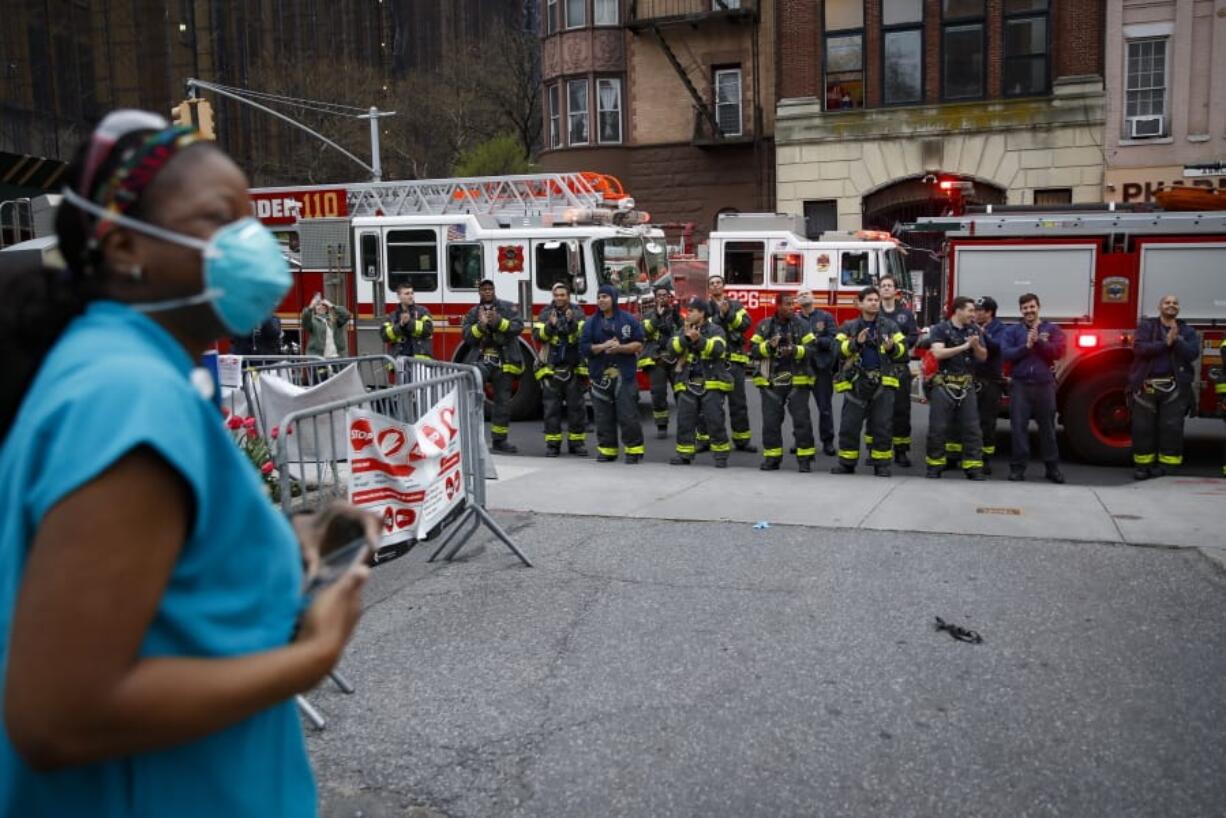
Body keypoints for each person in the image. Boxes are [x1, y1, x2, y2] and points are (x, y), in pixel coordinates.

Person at [0, 111, 373, 817]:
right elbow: (60, 716)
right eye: (219, 220)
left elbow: (161, 585)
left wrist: (286, 553)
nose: (254, 246)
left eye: (254, 222)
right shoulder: (129, 397)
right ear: (122, 246)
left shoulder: (131, 374)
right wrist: (312, 655)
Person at [830, 286, 909, 477]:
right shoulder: (848, 326)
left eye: (876, 300)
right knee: (850, 425)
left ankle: (881, 464)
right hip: (856, 382)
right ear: (860, 303)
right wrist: (855, 343)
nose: (874, 303)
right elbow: (835, 350)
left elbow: (904, 353)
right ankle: (847, 463)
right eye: (870, 300)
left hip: (883, 383)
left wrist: (892, 349)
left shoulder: (890, 327)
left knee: (882, 426)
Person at [1128, 294, 1200, 479]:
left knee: (1171, 427)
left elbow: (1192, 354)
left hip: (1174, 387)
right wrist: (1164, 343)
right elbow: (1140, 349)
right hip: (1146, 386)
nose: (1171, 305)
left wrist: (1176, 341)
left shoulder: (1187, 331)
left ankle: (1167, 468)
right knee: (1142, 428)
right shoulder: (1147, 327)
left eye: (1175, 303)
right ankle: (1143, 467)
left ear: (1178, 308)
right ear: (1160, 306)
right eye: (1167, 302)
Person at [1001, 292, 1066, 483]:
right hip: (1020, 385)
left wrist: (1039, 342)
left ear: (1038, 307)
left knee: (1047, 428)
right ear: (1020, 310)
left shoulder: (1052, 329)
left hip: (1044, 385)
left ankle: (1052, 468)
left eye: (1032, 307)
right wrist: (1026, 346)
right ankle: (1018, 469)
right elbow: (1006, 354)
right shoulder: (1012, 331)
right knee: (1018, 428)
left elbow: (1058, 351)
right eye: (1025, 308)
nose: (1029, 310)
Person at [750, 292, 818, 472]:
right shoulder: (764, 326)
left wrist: (794, 350)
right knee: (771, 422)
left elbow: (813, 349)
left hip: (797, 381)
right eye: (787, 304)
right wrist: (770, 346)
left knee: (802, 422)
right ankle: (772, 459)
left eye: (792, 304)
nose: (792, 307)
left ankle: (804, 460)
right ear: (777, 305)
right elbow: (754, 350)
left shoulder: (802, 325)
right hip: (771, 383)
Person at [580, 284, 645, 463]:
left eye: (605, 297)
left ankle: (633, 450)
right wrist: (603, 346)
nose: (601, 300)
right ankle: (607, 450)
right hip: (600, 376)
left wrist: (620, 348)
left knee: (628, 415)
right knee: (602, 416)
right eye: (599, 296)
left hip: (624, 375)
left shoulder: (628, 320)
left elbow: (639, 344)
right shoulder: (590, 323)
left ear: (613, 299)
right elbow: (584, 349)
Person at [925, 297, 987, 481]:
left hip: (966, 385)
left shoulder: (974, 330)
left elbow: (983, 357)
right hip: (944, 384)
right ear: (957, 311)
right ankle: (934, 467)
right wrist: (965, 346)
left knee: (972, 428)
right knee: (938, 428)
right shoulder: (940, 329)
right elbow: (938, 352)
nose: (973, 315)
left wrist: (976, 346)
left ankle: (973, 467)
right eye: (970, 311)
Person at [461, 279, 525, 454]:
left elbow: (518, 326)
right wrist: (480, 326)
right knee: (472, 397)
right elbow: (467, 337)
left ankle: (499, 441)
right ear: (479, 292)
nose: (487, 292)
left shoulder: (507, 308)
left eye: (490, 289)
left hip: (503, 363)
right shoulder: (473, 313)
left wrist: (498, 322)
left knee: (502, 403)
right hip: (481, 361)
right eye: (484, 289)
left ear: (494, 290)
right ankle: (470, 439)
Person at [668, 297, 731, 468]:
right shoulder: (683, 330)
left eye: (691, 311)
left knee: (715, 420)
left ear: (702, 313)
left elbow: (718, 349)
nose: (687, 314)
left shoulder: (716, 330)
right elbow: (671, 349)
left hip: (711, 383)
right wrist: (685, 339)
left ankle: (720, 455)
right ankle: (684, 454)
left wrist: (699, 340)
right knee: (685, 420)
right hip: (687, 383)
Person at [533, 283, 588, 457]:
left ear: (568, 296)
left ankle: (577, 443)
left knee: (576, 409)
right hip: (552, 368)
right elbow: (537, 335)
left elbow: (581, 335)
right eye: (556, 295)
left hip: (573, 367)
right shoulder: (545, 313)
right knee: (551, 409)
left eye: (562, 295)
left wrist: (571, 323)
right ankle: (553, 445)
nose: (559, 298)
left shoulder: (578, 313)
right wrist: (550, 326)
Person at [706, 275, 757, 453]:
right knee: (710, 404)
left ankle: (742, 441)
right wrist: (721, 315)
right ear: (709, 289)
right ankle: (706, 440)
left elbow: (746, 324)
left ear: (724, 286)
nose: (715, 285)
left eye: (718, 282)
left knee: (738, 403)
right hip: (713, 362)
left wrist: (729, 313)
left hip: (735, 360)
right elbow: (704, 327)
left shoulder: (736, 305)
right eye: (712, 284)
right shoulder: (705, 307)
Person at [877, 274, 919, 467]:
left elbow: (913, 335)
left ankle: (901, 451)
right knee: (877, 411)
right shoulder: (874, 312)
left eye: (889, 285)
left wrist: (897, 344)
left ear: (895, 291)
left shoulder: (906, 314)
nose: (886, 288)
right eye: (883, 285)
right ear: (879, 290)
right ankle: (877, 451)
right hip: (878, 366)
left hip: (899, 367)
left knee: (901, 410)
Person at [796, 291, 838, 457]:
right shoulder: (794, 320)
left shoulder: (825, 317)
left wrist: (817, 340)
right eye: (801, 295)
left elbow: (834, 339)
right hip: (801, 368)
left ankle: (827, 442)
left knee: (825, 408)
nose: (804, 296)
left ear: (813, 298)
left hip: (821, 369)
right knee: (799, 409)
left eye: (807, 294)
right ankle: (800, 440)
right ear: (797, 301)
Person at [640, 285, 683, 439]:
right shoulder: (648, 315)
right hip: (656, 359)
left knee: (681, 392)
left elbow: (684, 331)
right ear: (655, 298)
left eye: (665, 295)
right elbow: (644, 332)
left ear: (669, 297)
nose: (662, 298)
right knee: (658, 394)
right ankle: (662, 425)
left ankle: (685, 424)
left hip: (674, 359)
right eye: (659, 295)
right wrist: (657, 317)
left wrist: (677, 316)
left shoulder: (676, 314)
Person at [972, 296, 1007, 474]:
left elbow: (997, 347)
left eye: (979, 310)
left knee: (987, 422)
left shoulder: (1000, 329)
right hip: (972, 379)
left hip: (991, 381)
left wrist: (982, 333)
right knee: (970, 421)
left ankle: (985, 459)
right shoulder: (972, 326)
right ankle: (968, 456)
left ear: (989, 312)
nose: (975, 313)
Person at [381, 282, 434, 362]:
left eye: (412, 293)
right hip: (400, 361)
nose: (410, 296)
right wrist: (400, 326)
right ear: (399, 296)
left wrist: (410, 323)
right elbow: (384, 336)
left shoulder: (422, 311)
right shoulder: (392, 316)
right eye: (407, 294)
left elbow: (429, 329)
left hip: (420, 362)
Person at [300, 293, 350, 359]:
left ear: (327, 308)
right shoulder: (312, 321)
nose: (321, 307)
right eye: (318, 305)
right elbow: (305, 318)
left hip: (337, 358)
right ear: (314, 308)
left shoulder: (334, 320)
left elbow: (346, 315)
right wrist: (311, 306)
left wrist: (332, 305)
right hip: (319, 359)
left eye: (324, 305)